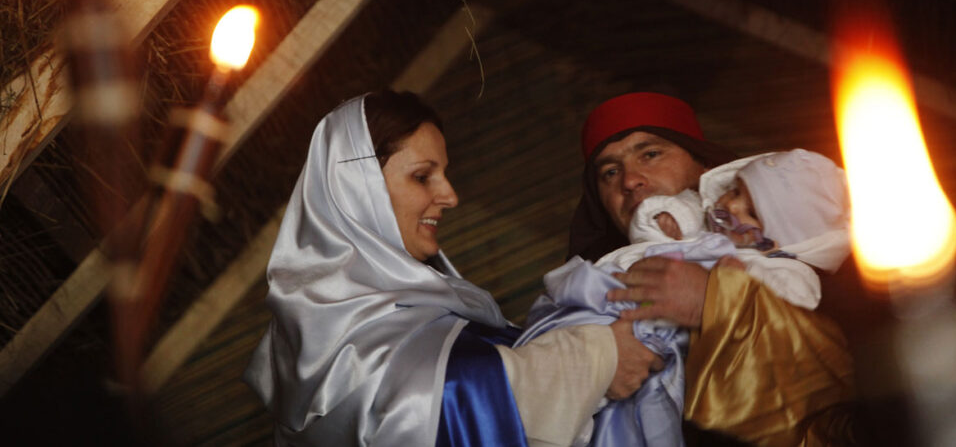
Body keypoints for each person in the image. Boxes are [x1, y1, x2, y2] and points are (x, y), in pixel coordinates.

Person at [243, 91, 662, 447]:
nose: (450, 196)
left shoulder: (421, 309)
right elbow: (435, 400)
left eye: (444, 174)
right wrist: (598, 356)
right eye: (423, 176)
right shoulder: (326, 330)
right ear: (356, 192)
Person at [570, 92, 859, 446]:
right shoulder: (592, 284)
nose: (630, 180)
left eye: (651, 154)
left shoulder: (828, 273)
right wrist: (595, 358)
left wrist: (714, 299)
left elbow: (844, 390)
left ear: (704, 166)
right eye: (610, 172)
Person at [605, 148, 852, 311]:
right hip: (626, 289)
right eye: (735, 191)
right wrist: (669, 218)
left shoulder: (787, 272)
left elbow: (784, 315)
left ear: (779, 240)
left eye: (752, 213)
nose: (732, 205)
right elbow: (648, 241)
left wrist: (738, 284)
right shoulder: (701, 218)